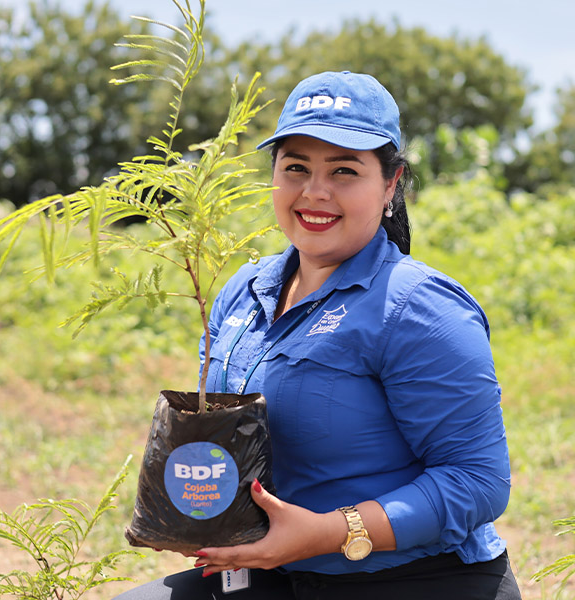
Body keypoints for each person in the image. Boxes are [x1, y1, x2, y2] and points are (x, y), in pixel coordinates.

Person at [114, 71, 521, 600]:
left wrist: (329, 533)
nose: (315, 192)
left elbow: (478, 482)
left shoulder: (418, 306)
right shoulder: (244, 290)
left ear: (391, 184)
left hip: (415, 579)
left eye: (345, 171)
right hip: (275, 573)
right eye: (296, 168)